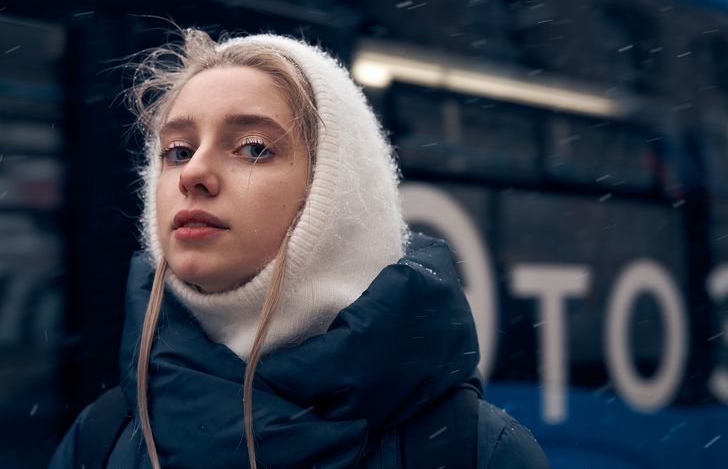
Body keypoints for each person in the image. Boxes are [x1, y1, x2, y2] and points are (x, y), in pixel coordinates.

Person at [48, 29, 551, 469]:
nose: (194, 173)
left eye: (253, 148)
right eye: (177, 151)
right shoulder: (102, 436)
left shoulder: (474, 452)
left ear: (336, 196)